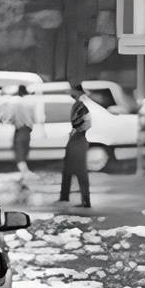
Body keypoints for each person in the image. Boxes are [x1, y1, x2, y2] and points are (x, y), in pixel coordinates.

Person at [56, 80, 92, 208]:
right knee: (68, 170)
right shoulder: (78, 105)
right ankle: (65, 196)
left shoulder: (82, 106)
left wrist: (76, 130)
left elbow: (85, 124)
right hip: (76, 139)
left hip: (79, 140)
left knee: (80, 171)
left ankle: (86, 201)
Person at [9, 83, 38, 178]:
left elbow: (12, 117)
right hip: (28, 130)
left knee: (19, 153)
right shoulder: (31, 102)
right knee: (24, 152)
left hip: (21, 129)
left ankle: (25, 175)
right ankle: (24, 175)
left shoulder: (18, 103)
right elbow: (35, 118)